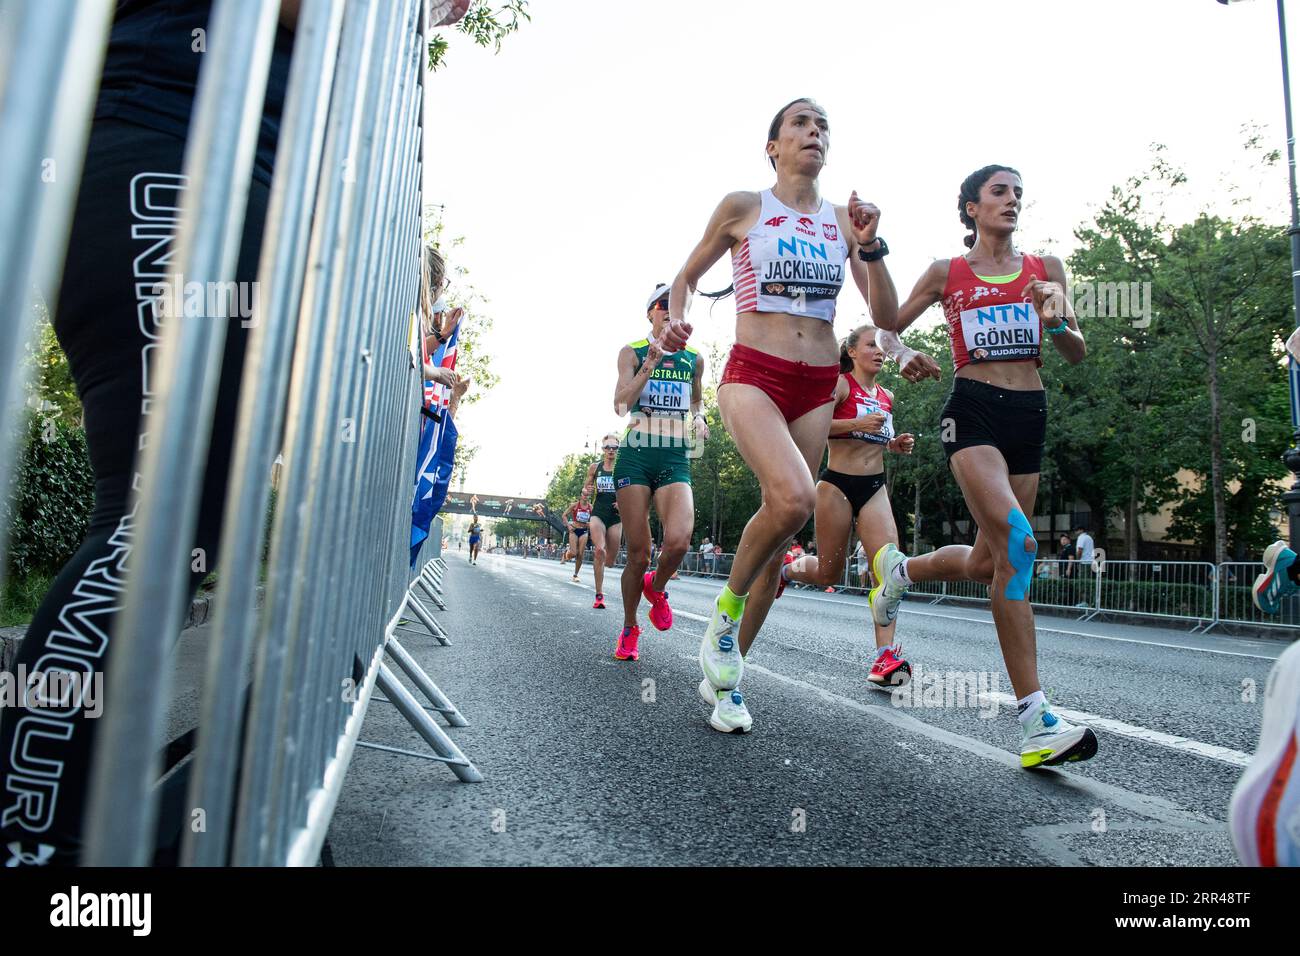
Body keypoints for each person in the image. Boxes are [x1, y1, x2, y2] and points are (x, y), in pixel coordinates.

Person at [0, 1, 303, 867]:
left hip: (197, 156)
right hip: (163, 139)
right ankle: (36, 839)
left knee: (170, 529)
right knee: (151, 527)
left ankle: (53, 821)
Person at [662, 97, 895, 733]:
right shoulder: (745, 207)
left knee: (778, 546)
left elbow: (887, 316)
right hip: (753, 375)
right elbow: (685, 275)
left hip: (819, 383)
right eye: (800, 122)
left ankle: (728, 677)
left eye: (823, 125)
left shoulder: (846, 222)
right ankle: (724, 616)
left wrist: (871, 246)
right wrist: (676, 322)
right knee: (794, 499)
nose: (814, 132)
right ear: (773, 145)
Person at [867, 164, 1097, 768]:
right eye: (999, 192)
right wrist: (907, 351)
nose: (1012, 200)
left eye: (1018, 193)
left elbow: (1074, 351)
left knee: (988, 559)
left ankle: (900, 574)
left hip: (1031, 413)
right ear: (971, 207)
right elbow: (886, 330)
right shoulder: (950, 273)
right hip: (971, 413)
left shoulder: (1047, 269)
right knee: (1020, 546)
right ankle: (1034, 720)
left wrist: (1058, 320)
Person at [768, 323, 917, 685]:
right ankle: (787, 570)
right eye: (872, 345)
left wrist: (892, 443)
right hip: (836, 484)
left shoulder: (888, 395)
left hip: (875, 485)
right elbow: (810, 426)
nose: (880, 352)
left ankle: (885, 657)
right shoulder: (838, 385)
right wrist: (856, 423)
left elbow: (874, 435)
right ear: (852, 351)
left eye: (884, 346)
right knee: (829, 573)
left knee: (890, 570)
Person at [611, 283, 708, 662]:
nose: (670, 310)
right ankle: (630, 627)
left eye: (676, 305)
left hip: (674, 455)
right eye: (663, 305)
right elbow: (620, 404)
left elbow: (697, 399)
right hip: (636, 455)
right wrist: (650, 363)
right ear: (650, 312)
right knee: (638, 553)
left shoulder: (694, 359)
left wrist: (699, 418)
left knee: (680, 541)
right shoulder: (631, 351)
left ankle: (658, 586)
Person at [582, 434, 623, 609]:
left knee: (610, 560)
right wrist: (586, 490)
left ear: (618, 449)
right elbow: (584, 490)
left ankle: (603, 567)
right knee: (600, 551)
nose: (611, 450)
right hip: (598, 512)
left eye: (614, 447)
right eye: (608, 447)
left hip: (616, 516)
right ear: (603, 449)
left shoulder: (623, 467)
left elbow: (633, 489)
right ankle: (599, 595)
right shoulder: (595, 467)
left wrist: (624, 501)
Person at [564, 495, 593, 583]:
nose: (585, 496)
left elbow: (594, 519)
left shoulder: (591, 507)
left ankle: (575, 575)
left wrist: (590, 523)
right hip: (574, 530)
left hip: (584, 531)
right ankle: (568, 552)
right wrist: (568, 526)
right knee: (573, 553)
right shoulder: (574, 505)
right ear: (580, 496)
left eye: (587, 495)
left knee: (580, 554)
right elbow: (564, 515)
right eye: (584, 494)